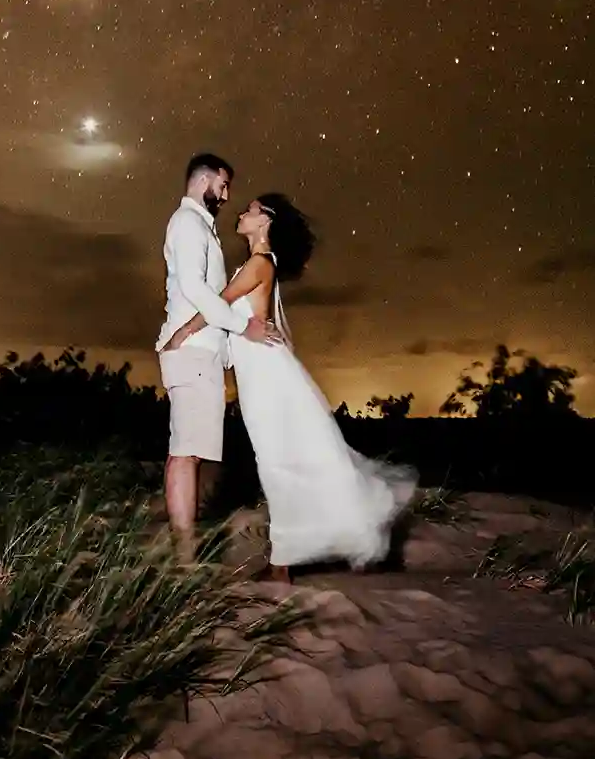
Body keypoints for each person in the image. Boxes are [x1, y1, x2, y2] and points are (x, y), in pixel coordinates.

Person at [162, 192, 416, 578]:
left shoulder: (259, 264)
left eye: (250, 210)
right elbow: (270, 322)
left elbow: (218, 305)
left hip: (264, 375)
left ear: (266, 221)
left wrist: (181, 333)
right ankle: (283, 559)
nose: (242, 213)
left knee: (275, 459)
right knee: (276, 458)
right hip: (259, 372)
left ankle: (281, 564)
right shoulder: (263, 264)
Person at [156, 152, 278, 557]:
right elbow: (194, 285)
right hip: (192, 352)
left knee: (190, 452)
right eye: (223, 186)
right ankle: (185, 558)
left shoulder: (200, 226)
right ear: (203, 180)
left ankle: (185, 553)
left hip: (200, 353)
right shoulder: (189, 223)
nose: (226, 196)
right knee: (185, 453)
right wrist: (242, 327)